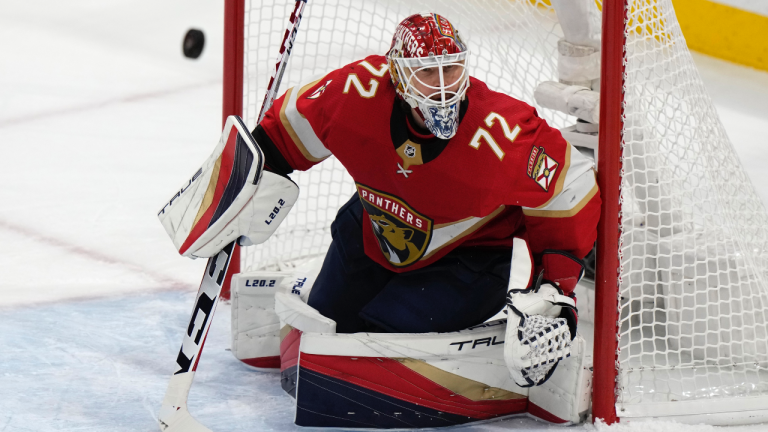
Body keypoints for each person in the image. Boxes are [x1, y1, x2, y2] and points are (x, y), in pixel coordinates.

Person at [252, 12, 600, 335]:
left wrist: (555, 286)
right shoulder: (357, 91)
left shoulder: (501, 134)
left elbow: (571, 183)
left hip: (468, 258)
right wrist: (254, 173)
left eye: (450, 68)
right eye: (427, 71)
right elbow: (288, 126)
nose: (443, 85)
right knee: (329, 322)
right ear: (398, 75)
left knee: (383, 337)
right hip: (375, 229)